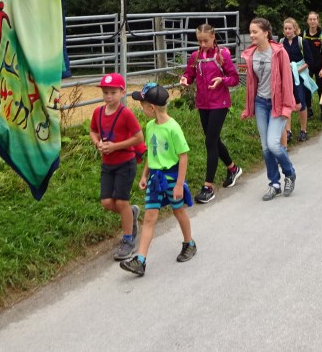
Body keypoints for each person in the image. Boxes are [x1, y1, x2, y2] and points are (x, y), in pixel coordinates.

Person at [120, 83, 196, 277]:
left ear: (151, 107)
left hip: (171, 177)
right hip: (154, 178)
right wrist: (145, 174)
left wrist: (179, 184)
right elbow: (151, 153)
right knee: (149, 218)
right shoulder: (150, 126)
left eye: (142, 104)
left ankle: (189, 243)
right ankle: (140, 260)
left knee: (178, 211)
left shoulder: (173, 128)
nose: (141, 108)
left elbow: (183, 156)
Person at [179, 24, 242, 204]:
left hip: (219, 103)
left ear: (213, 37)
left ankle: (208, 187)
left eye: (205, 40)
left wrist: (221, 80)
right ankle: (232, 168)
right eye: (199, 41)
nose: (203, 44)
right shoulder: (195, 56)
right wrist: (185, 79)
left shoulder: (222, 55)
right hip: (203, 103)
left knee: (210, 141)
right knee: (213, 139)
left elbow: (235, 78)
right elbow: (189, 74)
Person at [241, 18, 298, 200]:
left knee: (274, 144)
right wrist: (247, 108)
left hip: (278, 104)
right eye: (250, 32)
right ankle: (274, 183)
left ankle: (289, 173)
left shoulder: (279, 52)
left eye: (255, 32)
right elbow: (251, 83)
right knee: (265, 147)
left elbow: (287, 81)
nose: (251, 35)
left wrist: (287, 107)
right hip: (260, 103)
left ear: (266, 33)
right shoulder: (251, 54)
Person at [89, 73, 144, 260]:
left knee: (121, 201)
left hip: (125, 163)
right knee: (106, 202)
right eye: (105, 92)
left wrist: (115, 146)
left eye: (113, 92)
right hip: (107, 163)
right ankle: (131, 213)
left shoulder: (126, 114)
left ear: (122, 92)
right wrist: (98, 144)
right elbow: (93, 131)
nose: (109, 96)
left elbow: (139, 138)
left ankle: (128, 240)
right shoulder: (98, 112)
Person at [281, 17, 312, 142]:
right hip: (286, 76)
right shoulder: (281, 42)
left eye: (290, 28)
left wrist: (296, 71)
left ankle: (303, 130)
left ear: (295, 29)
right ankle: (288, 131)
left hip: (299, 75)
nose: (287, 31)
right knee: (288, 103)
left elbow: (309, 61)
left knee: (301, 103)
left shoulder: (301, 41)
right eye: (285, 28)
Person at [302, 11, 322, 123]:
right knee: (306, 89)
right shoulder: (303, 35)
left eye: (314, 19)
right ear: (308, 21)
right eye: (310, 19)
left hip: (319, 66)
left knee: (321, 89)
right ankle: (309, 110)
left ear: (317, 21)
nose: (312, 21)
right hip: (307, 67)